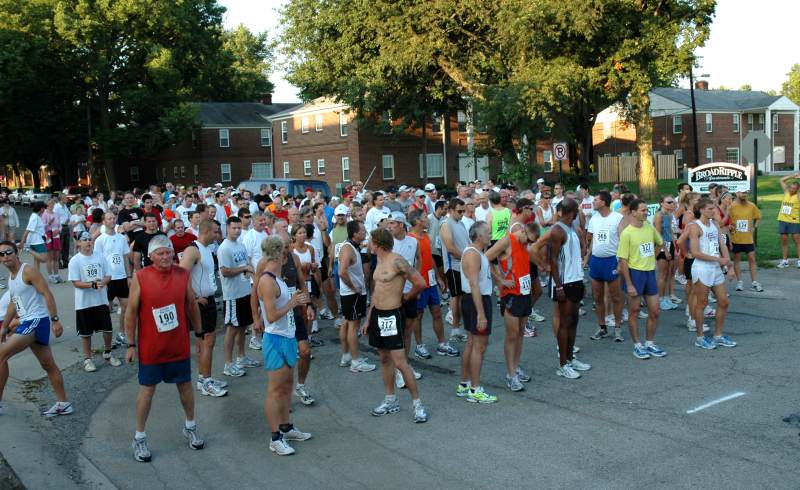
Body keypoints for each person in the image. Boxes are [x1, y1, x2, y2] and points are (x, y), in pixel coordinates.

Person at [123, 235, 205, 462]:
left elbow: (191, 305)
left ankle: (190, 426)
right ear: (151, 257)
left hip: (177, 344)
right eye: (160, 253)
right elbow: (130, 312)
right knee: (147, 390)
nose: (166, 256)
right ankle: (139, 437)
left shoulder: (182, 274)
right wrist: (131, 344)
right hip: (151, 347)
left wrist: (199, 334)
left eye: (168, 252)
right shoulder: (141, 276)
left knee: (185, 386)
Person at [255, 236, 313, 455]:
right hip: (275, 339)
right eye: (285, 253)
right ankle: (275, 437)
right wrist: (293, 302)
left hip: (287, 337)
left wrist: (293, 299)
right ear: (278, 255)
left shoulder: (276, 279)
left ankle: (286, 427)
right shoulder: (267, 281)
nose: (287, 256)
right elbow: (270, 316)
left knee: (288, 385)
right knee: (275, 390)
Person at [363, 228, 428, 423]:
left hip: (392, 314)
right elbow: (377, 291)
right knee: (383, 358)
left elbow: (420, 282)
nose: (368, 243)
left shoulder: (397, 260)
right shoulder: (379, 261)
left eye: (371, 241)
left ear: (378, 243)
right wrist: (368, 318)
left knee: (400, 362)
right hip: (378, 314)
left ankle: (417, 405)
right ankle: (390, 400)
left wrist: (407, 297)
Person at [0, 241, 71, 416]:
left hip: (36, 321)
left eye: (8, 252)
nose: (5, 256)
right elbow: (14, 304)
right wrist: (5, 327)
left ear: (16, 253)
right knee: (48, 364)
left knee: (1, 355)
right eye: (1, 255)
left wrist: (55, 320)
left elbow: (47, 293)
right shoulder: (11, 277)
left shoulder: (28, 271)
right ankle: (64, 404)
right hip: (27, 321)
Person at [485, 201, 539, 392]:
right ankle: (510, 374)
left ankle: (516, 368)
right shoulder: (507, 240)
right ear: (523, 232)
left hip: (524, 292)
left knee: (521, 332)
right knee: (512, 335)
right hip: (510, 294)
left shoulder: (525, 243)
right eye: (529, 241)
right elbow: (487, 258)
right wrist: (500, 281)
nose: (529, 245)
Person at [542, 199, 590, 378]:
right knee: (564, 323)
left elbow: (575, 257)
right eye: (575, 211)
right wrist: (559, 286)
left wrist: (581, 280)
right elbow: (552, 259)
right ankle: (562, 364)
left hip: (575, 280)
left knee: (574, 321)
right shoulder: (557, 230)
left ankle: (570, 358)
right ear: (571, 213)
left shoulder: (572, 230)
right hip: (564, 283)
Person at [179, 219, 228, 397]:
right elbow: (181, 273)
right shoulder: (193, 249)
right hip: (201, 303)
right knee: (207, 341)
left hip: (209, 300)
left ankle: (203, 378)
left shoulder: (208, 249)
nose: (218, 235)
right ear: (206, 231)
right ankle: (206, 382)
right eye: (215, 232)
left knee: (208, 341)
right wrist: (193, 297)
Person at [617, 199, 666, 360]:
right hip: (634, 274)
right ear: (633, 212)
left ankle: (649, 343)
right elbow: (623, 260)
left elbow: (660, 242)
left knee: (655, 311)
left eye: (646, 210)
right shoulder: (627, 233)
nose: (646, 212)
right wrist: (629, 284)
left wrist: (653, 254)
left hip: (649, 273)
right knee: (635, 311)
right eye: (643, 210)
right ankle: (637, 345)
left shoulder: (649, 227)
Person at [456, 221, 497, 403]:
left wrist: (502, 282)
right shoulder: (472, 254)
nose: (490, 235)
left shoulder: (478, 253)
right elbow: (473, 284)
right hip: (476, 301)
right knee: (479, 346)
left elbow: (484, 276)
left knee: (472, 343)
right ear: (479, 236)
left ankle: (465, 384)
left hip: (476, 299)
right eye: (488, 232)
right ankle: (475, 389)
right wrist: (481, 313)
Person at [407, 211, 459, 357]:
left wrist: (438, 278)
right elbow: (409, 265)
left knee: (437, 312)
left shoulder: (426, 236)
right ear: (417, 221)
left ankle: (442, 343)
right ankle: (419, 346)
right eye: (424, 217)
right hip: (419, 284)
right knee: (418, 315)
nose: (428, 220)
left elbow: (430, 259)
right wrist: (413, 285)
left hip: (430, 282)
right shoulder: (410, 239)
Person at [68, 232, 121, 372]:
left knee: (108, 329)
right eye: (84, 240)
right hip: (84, 303)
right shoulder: (75, 261)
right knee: (86, 333)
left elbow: (108, 275)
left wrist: (102, 283)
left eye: (89, 239)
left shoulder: (100, 256)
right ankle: (88, 359)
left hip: (101, 300)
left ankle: (108, 353)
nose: (88, 242)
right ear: (79, 243)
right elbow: (76, 282)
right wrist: (92, 285)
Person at [687, 198, 736, 350]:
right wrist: (718, 259)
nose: (713, 211)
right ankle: (700, 337)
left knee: (723, 302)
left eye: (713, 208)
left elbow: (723, 245)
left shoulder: (715, 224)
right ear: (701, 210)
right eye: (709, 208)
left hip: (715, 267)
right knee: (702, 303)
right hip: (702, 268)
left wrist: (729, 265)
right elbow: (695, 252)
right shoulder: (695, 226)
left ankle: (718, 335)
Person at [218, 217, 260, 377]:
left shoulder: (240, 244)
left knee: (242, 326)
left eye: (238, 228)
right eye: (233, 228)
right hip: (232, 295)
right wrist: (244, 268)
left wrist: (253, 275)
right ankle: (228, 364)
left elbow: (246, 266)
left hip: (244, 292)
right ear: (227, 228)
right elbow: (225, 271)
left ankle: (241, 358)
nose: (236, 230)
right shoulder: (224, 248)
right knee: (232, 328)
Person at [387, 212, 423, 388]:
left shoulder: (413, 241)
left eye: (392, 223)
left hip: (410, 292)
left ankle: (404, 366)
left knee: (408, 330)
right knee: (397, 333)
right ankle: (397, 369)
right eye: (389, 223)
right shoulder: (388, 244)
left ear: (401, 225)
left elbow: (419, 261)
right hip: (394, 294)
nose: (390, 226)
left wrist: (417, 282)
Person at [585, 190, 625, 342]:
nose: (593, 202)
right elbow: (591, 240)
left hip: (611, 261)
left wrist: (621, 261)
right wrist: (587, 257)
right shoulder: (594, 219)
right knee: (597, 297)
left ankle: (617, 328)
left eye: (596, 199)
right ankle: (602, 327)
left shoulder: (617, 218)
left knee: (615, 297)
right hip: (596, 261)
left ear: (604, 202)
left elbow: (623, 240)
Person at [337, 220, 376, 372]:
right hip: (353, 294)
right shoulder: (348, 249)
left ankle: (347, 355)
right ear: (354, 234)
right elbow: (341, 272)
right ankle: (355, 362)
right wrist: (355, 287)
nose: (365, 233)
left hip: (352, 294)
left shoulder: (352, 246)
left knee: (347, 323)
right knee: (353, 326)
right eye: (362, 231)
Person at [440, 199, 470, 342]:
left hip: (463, 265)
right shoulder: (446, 224)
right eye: (459, 211)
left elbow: (467, 244)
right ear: (451, 210)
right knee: (456, 297)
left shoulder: (461, 223)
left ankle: (458, 327)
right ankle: (455, 329)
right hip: (454, 267)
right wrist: (467, 258)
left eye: (463, 211)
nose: (462, 214)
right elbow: (450, 248)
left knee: (461, 297)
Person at [729, 191, 763, 292]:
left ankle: (754, 282)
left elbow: (758, 217)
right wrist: (730, 226)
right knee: (736, 259)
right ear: (737, 193)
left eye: (746, 193)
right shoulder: (732, 206)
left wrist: (754, 228)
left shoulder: (751, 205)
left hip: (748, 238)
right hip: (736, 237)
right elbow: (727, 219)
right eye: (742, 193)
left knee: (752, 258)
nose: (744, 195)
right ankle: (740, 282)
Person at [653, 195, 678, 312]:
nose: (671, 204)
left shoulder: (669, 215)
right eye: (668, 202)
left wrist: (675, 247)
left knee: (669, 273)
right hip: (661, 246)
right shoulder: (659, 216)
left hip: (670, 244)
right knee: (663, 274)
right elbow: (658, 235)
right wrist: (666, 250)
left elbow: (671, 232)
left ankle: (666, 297)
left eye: (672, 202)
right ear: (661, 203)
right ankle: (660, 299)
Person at [776, 173, 800, 268]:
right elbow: (781, 180)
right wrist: (792, 176)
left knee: (797, 241)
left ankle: (799, 261)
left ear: (797, 189)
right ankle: (785, 261)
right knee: (784, 241)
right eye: (791, 187)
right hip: (782, 220)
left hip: (794, 221)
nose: (792, 189)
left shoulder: (798, 196)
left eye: (794, 188)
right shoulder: (786, 192)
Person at [18, 201, 48, 273]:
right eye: (44, 208)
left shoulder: (36, 216)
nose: (45, 210)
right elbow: (27, 230)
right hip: (36, 241)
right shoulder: (35, 217)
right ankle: (27, 249)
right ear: (41, 209)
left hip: (37, 240)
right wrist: (22, 242)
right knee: (44, 259)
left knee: (37, 260)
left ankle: (36, 275)